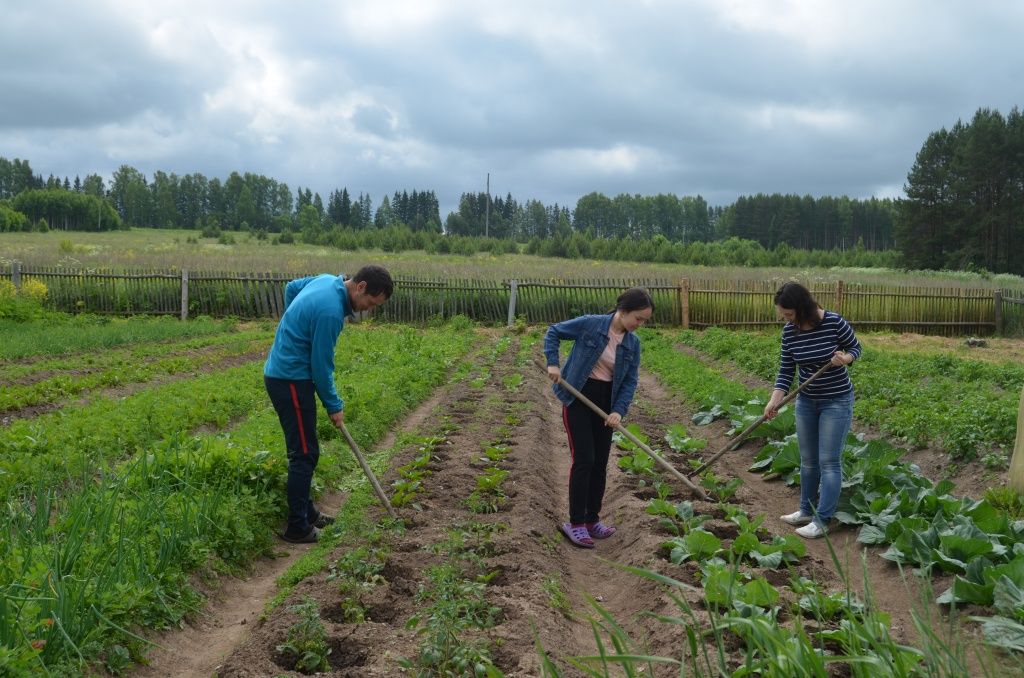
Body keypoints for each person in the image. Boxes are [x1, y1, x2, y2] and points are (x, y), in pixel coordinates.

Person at [264, 265, 394, 543]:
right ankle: (297, 527)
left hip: (288, 376)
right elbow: (321, 367)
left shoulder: (327, 281)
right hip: (290, 380)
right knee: (303, 454)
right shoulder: (331, 313)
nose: (367, 310)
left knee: (306, 450)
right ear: (360, 287)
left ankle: (307, 512)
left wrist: (295, 328)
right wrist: (333, 405)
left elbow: (291, 289)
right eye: (370, 303)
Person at [544, 288, 654, 548]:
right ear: (623, 311)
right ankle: (576, 522)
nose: (640, 325)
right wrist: (552, 363)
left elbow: (629, 380)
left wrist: (618, 410)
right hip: (578, 397)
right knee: (584, 459)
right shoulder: (591, 324)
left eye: (644, 321)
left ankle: (592, 519)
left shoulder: (632, 344)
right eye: (638, 319)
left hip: (606, 403)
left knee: (600, 463)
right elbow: (554, 331)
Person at [764, 282, 861, 539]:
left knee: (829, 461)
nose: (786, 318)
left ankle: (822, 520)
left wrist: (845, 359)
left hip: (836, 401)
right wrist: (774, 401)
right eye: (783, 314)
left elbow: (856, 349)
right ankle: (806, 511)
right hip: (807, 401)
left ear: (803, 307)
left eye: (789, 313)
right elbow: (786, 371)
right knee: (808, 460)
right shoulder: (790, 332)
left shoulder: (833, 322)